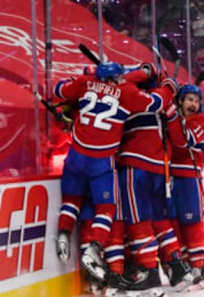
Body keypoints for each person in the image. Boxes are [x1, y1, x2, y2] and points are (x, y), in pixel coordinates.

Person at [54, 62, 157, 282]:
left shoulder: (84, 83)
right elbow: (154, 103)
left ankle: (63, 233)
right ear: (115, 77)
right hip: (101, 161)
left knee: (71, 201)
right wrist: (163, 84)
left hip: (76, 155)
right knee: (106, 208)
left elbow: (59, 89)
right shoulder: (127, 92)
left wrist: (77, 83)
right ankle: (95, 248)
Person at [116, 71, 193, 295]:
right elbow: (180, 141)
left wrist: (146, 72)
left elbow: (124, 82)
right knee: (160, 220)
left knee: (139, 221)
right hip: (161, 169)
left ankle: (149, 274)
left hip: (136, 166)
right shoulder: (167, 105)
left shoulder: (129, 95)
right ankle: (178, 267)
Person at [168, 84, 204, 284]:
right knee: (175, 221)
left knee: (192, 221)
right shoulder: (173, 117)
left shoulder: (199, 119)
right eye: (189, 99)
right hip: (169, 176)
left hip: (189, 176)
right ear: (180, 101)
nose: (194, 104)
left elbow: (191, 139)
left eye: (197, 101)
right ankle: (185, 262)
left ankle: (198, 262)